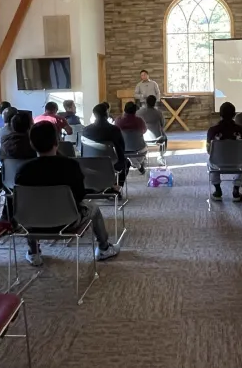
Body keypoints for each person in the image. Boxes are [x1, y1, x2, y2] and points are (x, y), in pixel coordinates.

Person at [15, 121, 119, 266]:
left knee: (30, 208)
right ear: (57, 141)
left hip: (32, 223)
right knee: (93, 208)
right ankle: (104, 248)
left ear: (31, 143)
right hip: (67, 221)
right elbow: (80, 196)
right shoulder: (70, 165)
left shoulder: (23, 170)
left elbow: (21, 202)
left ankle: (34, 253)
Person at [207, 101, 242, 202]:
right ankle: (236, 189)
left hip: (218, 163)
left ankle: (217, 190)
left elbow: (209, 151)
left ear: (220, 114)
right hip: (238, 163)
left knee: (211, 163)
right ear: (234, 115)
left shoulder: (212, 130)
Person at [82, 103, 130, 191]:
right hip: (112, 163)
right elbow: (121, 148)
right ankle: (116, 187)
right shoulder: (114, 129)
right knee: (126, 163)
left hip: (89, 163)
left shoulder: (86, 130)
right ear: (107, 114)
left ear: (94, 115)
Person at [115, 101, 147, 173]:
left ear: (124, 109)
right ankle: (138, 164)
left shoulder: (118, 120)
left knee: (125, 152)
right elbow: (144, 131)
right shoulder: (140, 120)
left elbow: (116, 133)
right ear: (135, 111)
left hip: (123, 149)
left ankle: (136, 164)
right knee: (143, 148)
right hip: (139, 148)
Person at [137, 94, 167, 164]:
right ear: (155, 103)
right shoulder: (158, 112)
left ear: (146, 102)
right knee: (165, 137)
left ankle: (143, 157)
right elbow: (163, 124)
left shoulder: (139, 112)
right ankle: (160, 156)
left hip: (142, 137)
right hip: (157, 138)